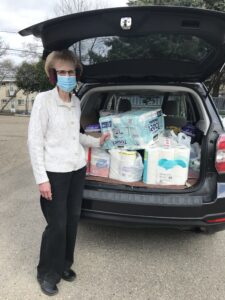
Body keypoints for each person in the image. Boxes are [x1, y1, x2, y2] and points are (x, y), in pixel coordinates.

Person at [27, 49, 109, 296]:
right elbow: (34, 141)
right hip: (55, 173)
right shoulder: (44, 100)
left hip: (76, 170)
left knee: (72, 220)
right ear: (53, 75)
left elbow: (76, 137)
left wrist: (97, 141)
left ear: (76, 74)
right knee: (57, 224)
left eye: (70, 71)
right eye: (61, 71)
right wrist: (42, 179)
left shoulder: (75, 102)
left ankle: (64, 265)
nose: (66, 75)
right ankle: (46, 272)